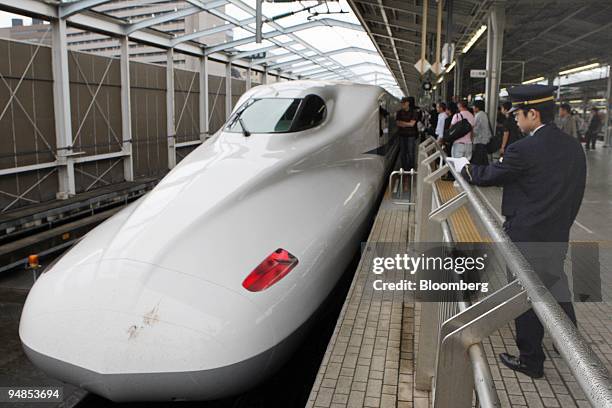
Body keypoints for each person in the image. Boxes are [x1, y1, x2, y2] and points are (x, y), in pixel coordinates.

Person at [459, 85, 586, 379]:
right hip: (556, 232)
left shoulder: (523, 149)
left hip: (526, 235)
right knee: (556, 285)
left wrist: (468, 171)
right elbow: (576, 194)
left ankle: (531, 359)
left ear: (533, 113)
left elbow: (492, 175)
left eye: (518, 113)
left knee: (525, 295)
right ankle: (570, 344)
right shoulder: (572, 146)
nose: (514, 118)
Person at [396, 96, 420, 170]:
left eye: (403, 103)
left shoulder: (414, 112)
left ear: (407, 103)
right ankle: (403, 168)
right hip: (402, 135)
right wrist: (408, 123)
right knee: (403, 152)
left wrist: (403, 123)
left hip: (411, 136)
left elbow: (412, 124)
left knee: (411, 152)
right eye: (401, 103)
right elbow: (397, 123)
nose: (402, 105)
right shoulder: (399, 112)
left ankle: (411, 168)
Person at [471, 100, 492, 165]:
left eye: (473, 106)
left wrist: (471, 137)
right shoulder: (484, 114)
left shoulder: (478, 115)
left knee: (477, 161)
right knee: (484, 161)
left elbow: (475, 129)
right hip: (484, 141)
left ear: (477, 107)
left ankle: (478, 174)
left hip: (479, 141)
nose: (472, 108)